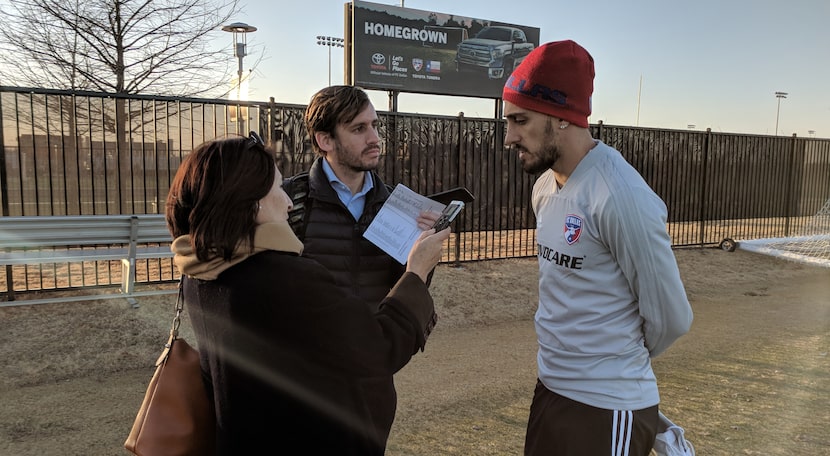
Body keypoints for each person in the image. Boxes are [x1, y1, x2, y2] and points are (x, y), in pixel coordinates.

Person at [165, 132, 450, 454]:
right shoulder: (283, 279)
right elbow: (380, 349)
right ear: (251, 202)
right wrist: (417, 271)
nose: (288, 201)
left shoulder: (200, 271)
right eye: (276, 188)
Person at [502, 40, 694, 455]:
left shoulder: (620, 195)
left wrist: (610, 360)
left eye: (520, 120)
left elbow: (671, 317)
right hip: (551, 390)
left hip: (607, 406)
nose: (509, 136)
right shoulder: (543, 188)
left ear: (562, 118)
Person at [282, 84, 438, 448]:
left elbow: (405, 293)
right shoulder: (289, 203)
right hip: (302, 387)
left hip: (370, 386)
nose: (374, 138)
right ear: (324, 140)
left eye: (374, 125)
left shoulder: (399, 208)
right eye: (358, 129)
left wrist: (422, 257)